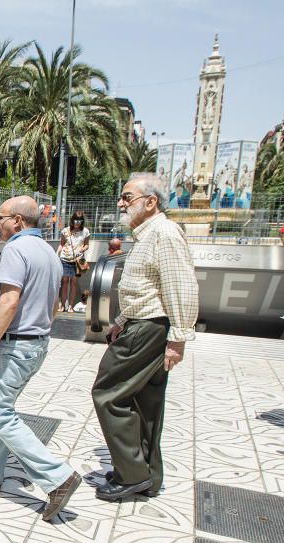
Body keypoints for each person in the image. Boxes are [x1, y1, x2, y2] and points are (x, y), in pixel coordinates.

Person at [0, 195, 80, 521]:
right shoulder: (49, 252)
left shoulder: (16, 250)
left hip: (14, 346)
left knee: (1, 414)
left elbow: (8, 301)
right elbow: (54, 304)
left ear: (16, 220)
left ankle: (58, 477)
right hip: (37, 343)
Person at [91, 173, 198, 501]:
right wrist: (121, 321)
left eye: (128, 197)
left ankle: (132, 474)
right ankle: (147, 476)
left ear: (151, 202)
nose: (121, 203)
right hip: (143, 324)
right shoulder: (148, 234)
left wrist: (178, 338)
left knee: (108, 393)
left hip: (149, 329)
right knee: (144, 403)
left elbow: (180, 285)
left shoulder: (163, 233)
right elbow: (146, 290)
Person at [57, 212, 91, 312]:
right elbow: (62, 244)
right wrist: (57, 253)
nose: (78, 223)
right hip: (65, 258)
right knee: (64, 282)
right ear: (72, 221)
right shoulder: (65, 231)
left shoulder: (85, 231)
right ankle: (62, 305)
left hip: (77, 260)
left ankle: (71, 306)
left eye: (80, 221)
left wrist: (82, 249)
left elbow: (87, 245)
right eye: (76, 220)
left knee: (73, 282)